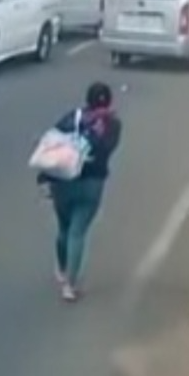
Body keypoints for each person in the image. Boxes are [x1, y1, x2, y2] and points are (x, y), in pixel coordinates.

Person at [39, 81, 124, 303]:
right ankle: (70, 284)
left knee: (64, 228)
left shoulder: (71, 119)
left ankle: (61, 267)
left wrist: (45, 176)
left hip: (64, 182)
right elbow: (107, 149)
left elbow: (50, 144)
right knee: (78, 232)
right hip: (92, 184)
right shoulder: (114, 125)